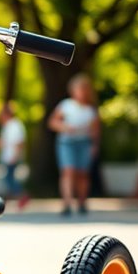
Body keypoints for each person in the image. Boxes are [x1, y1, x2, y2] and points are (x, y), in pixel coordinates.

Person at [49, 73, 100, 216]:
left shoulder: (91, 110)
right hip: (67, 142)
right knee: (68, 171)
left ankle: (82, 202)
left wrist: (94, 146)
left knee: (82, 174)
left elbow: (96, 131)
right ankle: (67, 203)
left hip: (84, 143)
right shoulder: (66, 105)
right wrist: (64, 127)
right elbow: (53, 122)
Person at [0, 101, 29, 209]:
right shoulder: (8, 126)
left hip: (11, 157)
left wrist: (15, 156)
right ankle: (11, 198)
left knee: (9, 179)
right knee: (8, 179)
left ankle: (22, 195)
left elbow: (19, 143)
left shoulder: (15, 125)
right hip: (7, 157)